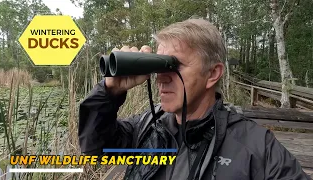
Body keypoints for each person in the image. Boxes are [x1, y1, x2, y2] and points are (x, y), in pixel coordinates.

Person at [78, 18, 310, 180]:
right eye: (157, 65)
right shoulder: (147, 127)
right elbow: (95, 149)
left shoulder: (256, 147)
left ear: (212, 74)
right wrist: (110, 92)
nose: (161, 79)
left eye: (173, 65)